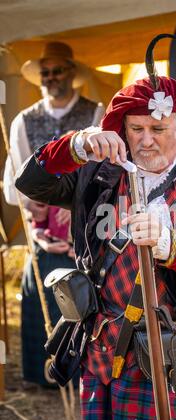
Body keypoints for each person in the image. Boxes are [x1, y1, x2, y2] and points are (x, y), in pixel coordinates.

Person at [15, 36, 176, 420]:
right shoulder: (98, 175)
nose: (146, 141)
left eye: (159, 128)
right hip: (108, 349)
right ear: (122, 128)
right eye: (136, 129)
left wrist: (172, 245)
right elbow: (30, 182)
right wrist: (73, 146)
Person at [4, 41, 104, 387]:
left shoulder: (96, 113)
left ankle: (77, 372)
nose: (50, 77)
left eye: (57, 70)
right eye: (45, 72)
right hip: (41, 223)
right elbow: (16, 169)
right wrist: (31, 205)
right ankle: (40, 373)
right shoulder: (23, 120)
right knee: (40, 296)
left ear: (71, 74)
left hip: (79, 221)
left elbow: (100, 168)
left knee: (83, 299)